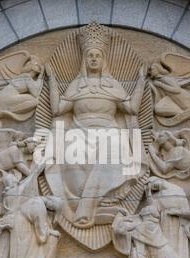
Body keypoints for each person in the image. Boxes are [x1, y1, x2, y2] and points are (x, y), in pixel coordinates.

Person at [44, 22, 147, 229]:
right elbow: (57, 109)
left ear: (103, 59)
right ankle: (92, 204)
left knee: (111, 156)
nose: (93, 58)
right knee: (73, 161)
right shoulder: (76, 85)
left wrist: (141, 81)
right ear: (84, 58)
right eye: (90, 55)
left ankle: (86, 210)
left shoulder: (113, 85)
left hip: (110, 133)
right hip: (78, 133)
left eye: (97, 55)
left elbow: (132, 109)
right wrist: (52, 79)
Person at [113, 205, 190, 258]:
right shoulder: (148, 224)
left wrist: (121, 217)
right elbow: (124, 229)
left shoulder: (148, 226)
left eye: (144, 208)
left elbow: (121, 230)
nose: (142, 208)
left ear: (147, 213)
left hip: (162, 254)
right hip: (160, 252)